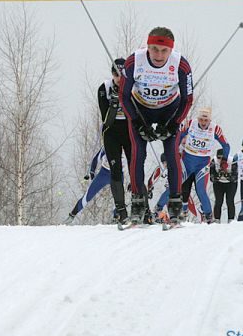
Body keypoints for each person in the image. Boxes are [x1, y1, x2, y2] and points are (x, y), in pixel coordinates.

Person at [119, 27, 194, 224]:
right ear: (147, 46)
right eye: (154, 49)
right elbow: (123, 96)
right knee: (138, 153)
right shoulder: (134, 62)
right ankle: (137, 202)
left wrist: (173, 125)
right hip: (140, 110)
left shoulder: (181, 65)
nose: (158, 55)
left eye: (164, 51)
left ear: (171, 50)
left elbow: (188, 100)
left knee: (172, 154)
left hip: (169, 111)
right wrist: (136, 121)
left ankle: (176, 203)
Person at [66, 58, 131, 223]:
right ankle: (71, 215)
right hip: (104, 172)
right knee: (88, 196)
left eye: (121, 75)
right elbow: (98, 156)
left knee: (120, 188)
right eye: (116, 74)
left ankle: (119, 215)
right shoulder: (105, 88)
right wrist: (91, 173)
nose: (118, 77)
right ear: (112, 74)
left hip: (118, 171)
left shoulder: (130, 88)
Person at [179, 107, 230, 223]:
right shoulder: (191, 123)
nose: (203, 123)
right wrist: (176, 152)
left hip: (202, 163)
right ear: (198, 118)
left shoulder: (215, 129)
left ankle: (208, 216)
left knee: (201, 190)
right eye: (201, 119)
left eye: (205, 120)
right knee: (178, 187)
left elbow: (226, 146)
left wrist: (224, 160)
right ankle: (176, 213)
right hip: (187, 161)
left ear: (209, 121)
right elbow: (179, 136)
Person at [210, 149, 236, 223]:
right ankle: (217, 219)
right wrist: (217, 176)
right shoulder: (214, 161)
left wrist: (227, 176)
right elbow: (211, 177)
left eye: (222, 158)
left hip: (231, 184)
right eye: (219, 157)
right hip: (219, 183)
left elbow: (235, 177)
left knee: (230, 201)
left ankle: (231, 220)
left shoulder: (232, 160)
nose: (220, 160)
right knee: (218, 201)